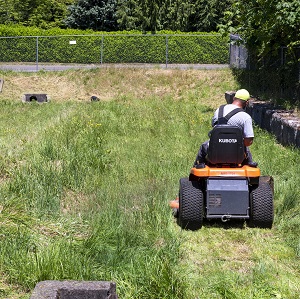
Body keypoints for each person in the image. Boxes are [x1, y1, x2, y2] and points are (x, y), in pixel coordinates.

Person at [193, 89, 257, 168]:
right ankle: (250, 173)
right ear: (246, 103)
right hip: (236, 155)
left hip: (214, 153)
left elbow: (215, 129)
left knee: (204, 146)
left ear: (234, 98)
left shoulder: (219, 110)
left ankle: (197, 171)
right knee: (246, 149)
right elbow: (248, 142)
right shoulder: (245, 117)